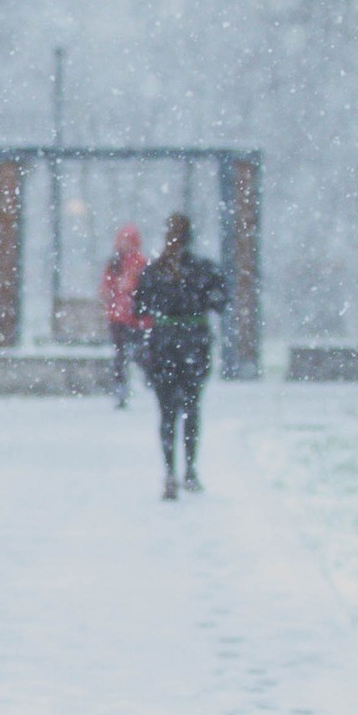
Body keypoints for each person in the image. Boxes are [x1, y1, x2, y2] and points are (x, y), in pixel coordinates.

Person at [134, 211, 228, 500]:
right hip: (193, 345)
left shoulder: (154, 271)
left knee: (167, 413)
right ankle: (190, 470)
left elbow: (139, 307)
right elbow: (221, 302)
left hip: (163, 346)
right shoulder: (204, 270)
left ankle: (169, 473)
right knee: (191, 409)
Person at [100, 222, 147, 409]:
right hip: (118, 317)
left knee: (137, 352)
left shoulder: (140, 262)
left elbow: (145, 286)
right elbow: (105, 287)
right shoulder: (114, 263)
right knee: (121, 355)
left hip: (135, 317)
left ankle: (140, 381)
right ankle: (121, 389)